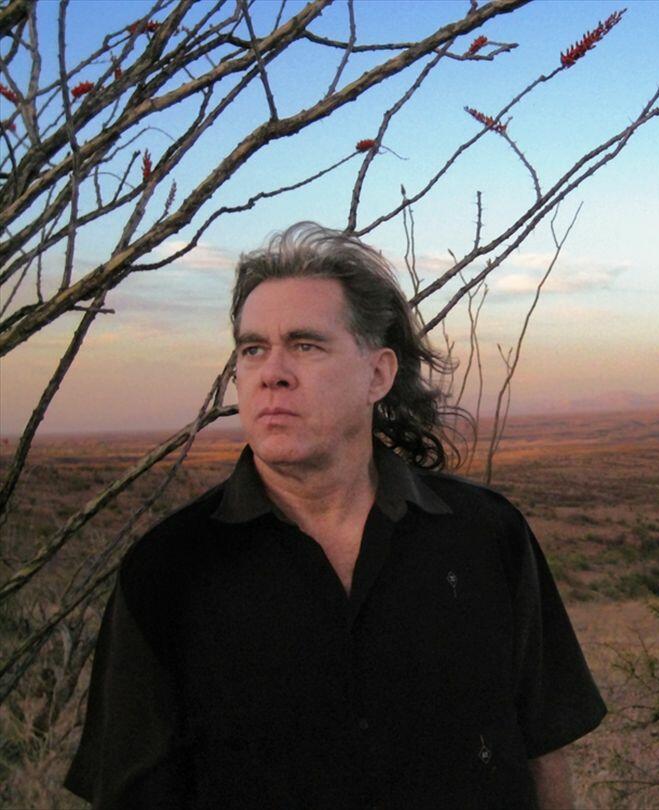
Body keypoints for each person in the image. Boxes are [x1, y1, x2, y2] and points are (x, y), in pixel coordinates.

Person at [64, 222, 607, 809]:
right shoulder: (168, 573)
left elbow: (543, 753)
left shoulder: (486, 535)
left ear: (378, 374)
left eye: (305, 345)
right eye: (252, 349)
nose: (271, 372)